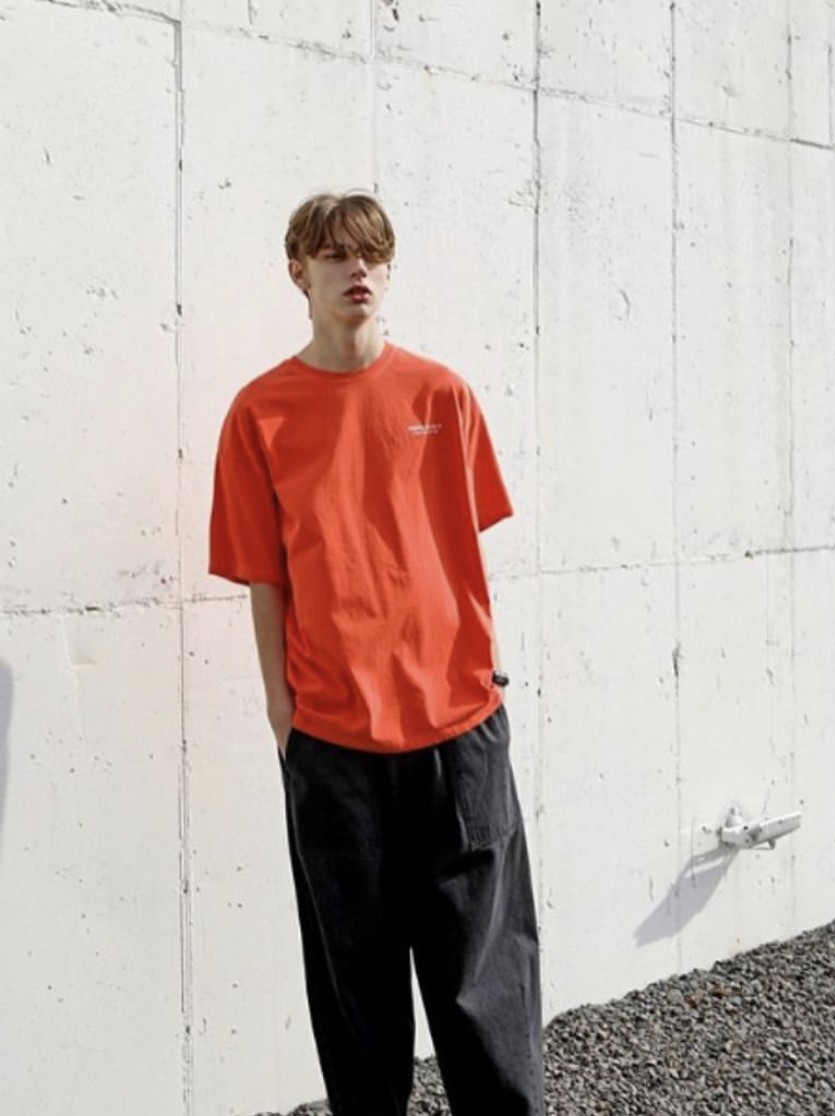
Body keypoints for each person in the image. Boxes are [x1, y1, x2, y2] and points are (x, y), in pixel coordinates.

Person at [208, 190, 543, 1116]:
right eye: (334, 254)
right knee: (356, 1000)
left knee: (486, 990)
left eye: (372, 254)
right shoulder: (260, 414)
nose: (357, 268)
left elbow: (456, 547)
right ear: (298, 273)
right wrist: (283, 716)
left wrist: (472, 675)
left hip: (457, 729)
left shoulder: (441, 396)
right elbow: (265, 578)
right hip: (332, 743)